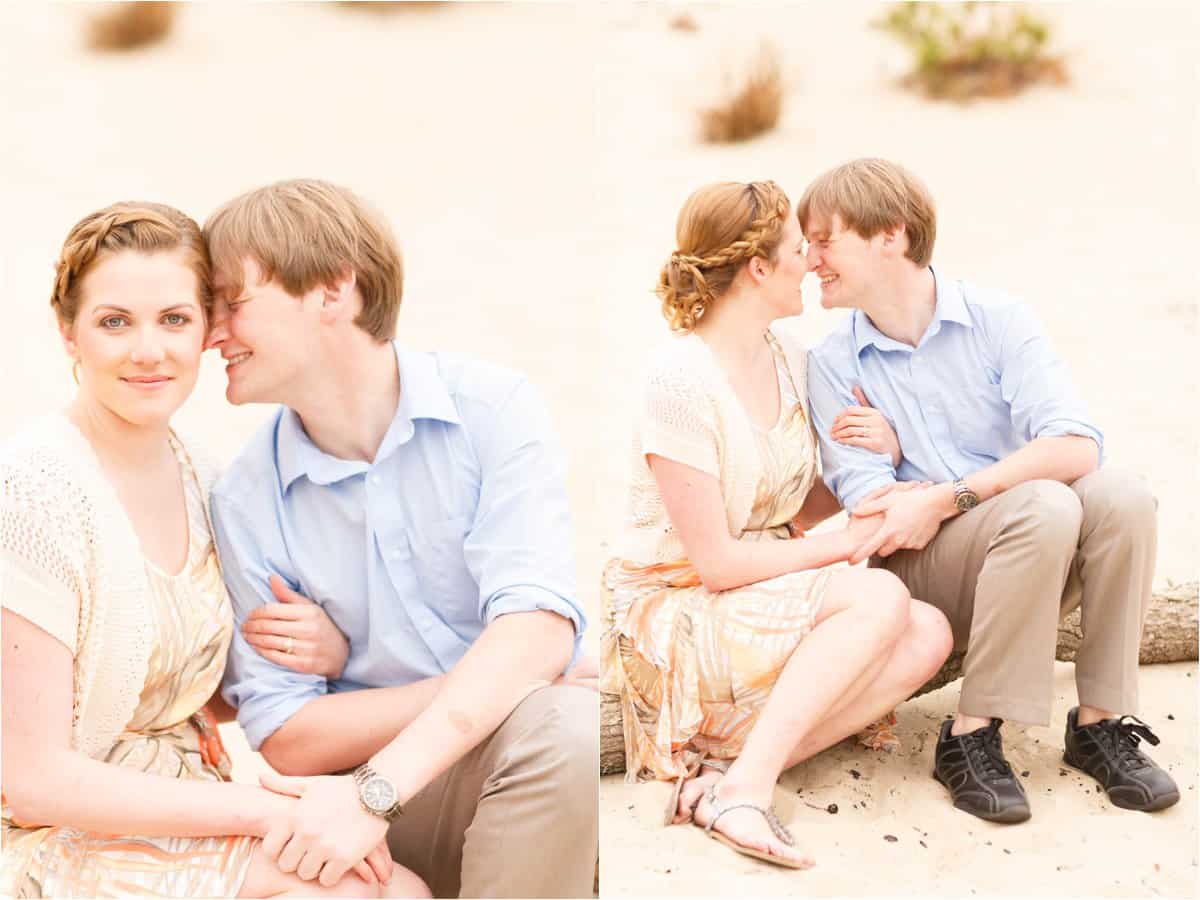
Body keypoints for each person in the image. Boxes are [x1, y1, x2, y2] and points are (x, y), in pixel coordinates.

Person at [0, 202, 427, 898]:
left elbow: (204, 694)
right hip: (50, 833)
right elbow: (36, 780)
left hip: (191, 804)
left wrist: (322, 651)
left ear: (206, 330)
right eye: (114, 322)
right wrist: (265, 810)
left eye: (173, 319)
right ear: (68, 333)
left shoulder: (208, 477)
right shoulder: (29, 495)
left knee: (392, 888)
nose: (149, 350)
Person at [203, 179, 598, 899]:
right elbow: (286, 735)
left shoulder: (493, 409)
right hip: (379, 814)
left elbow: (537, 627)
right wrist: (495, 681)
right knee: (558, 708)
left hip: (496, 767)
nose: (212, 333)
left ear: (332, 290)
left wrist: (517, 674)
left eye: (233, 302)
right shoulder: (245, 497)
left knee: (566, 726)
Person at [803, 157, 1179, 824]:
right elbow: (876, 509)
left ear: (890, 235)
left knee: (1122, 496)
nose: (810, 259)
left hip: (1029, 546)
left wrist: (942, 490)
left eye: (825, 239)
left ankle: (1098, 723)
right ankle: (971, 734)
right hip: (920, 571)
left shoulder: (997, 319)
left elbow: (1077, 445)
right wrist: (918, 486)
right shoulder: (835, 365)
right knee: (1045, 500)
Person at [600, 180, 954, 869]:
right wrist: (844, 547)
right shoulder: (679, 383)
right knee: (878, 596)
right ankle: (749, 792)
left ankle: (725, 781)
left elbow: (799, 504)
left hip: (755, 591)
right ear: (759, 269)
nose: (814, 262)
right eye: (800, 248)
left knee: (931, 632)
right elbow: (717, 565)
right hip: (672, 607)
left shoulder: (794, 361)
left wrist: (888, 458)